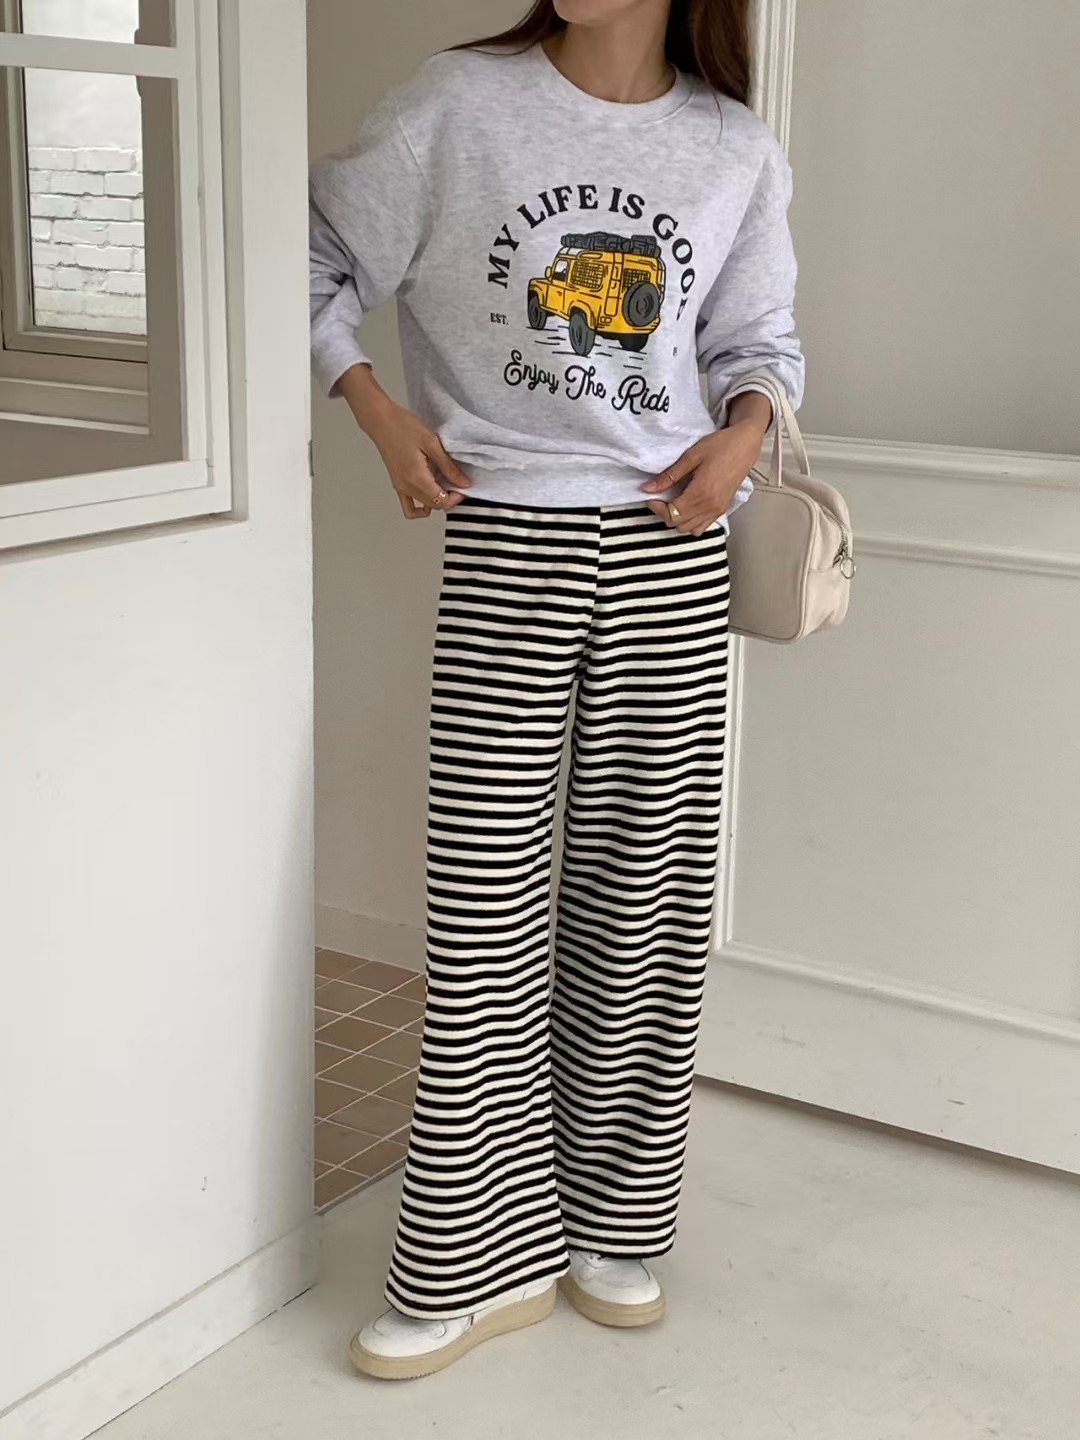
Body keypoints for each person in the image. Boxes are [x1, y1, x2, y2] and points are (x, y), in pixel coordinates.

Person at [308, 0, 804, 1382]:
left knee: (648, 892)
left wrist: (745, 433)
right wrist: (375, 407)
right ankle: (469, 1257)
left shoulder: (734, 146)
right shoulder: (457, 104)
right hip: (511, 538)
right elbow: (312, 256)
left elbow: (760, 338)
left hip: (671, 545)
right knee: (487, 898)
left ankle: (615, 1224)